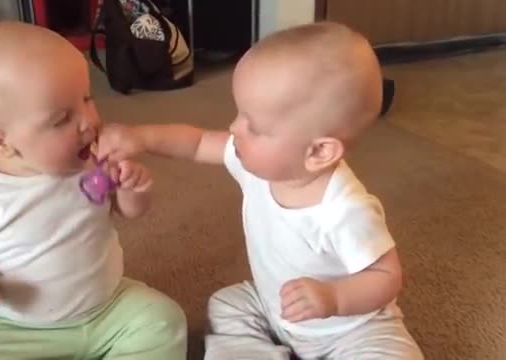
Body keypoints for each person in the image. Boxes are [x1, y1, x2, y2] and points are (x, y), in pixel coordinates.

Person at [97, 22, 423, 359]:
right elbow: (197, 143)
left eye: (254, 125)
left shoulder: (345, 209)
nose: (234, 128)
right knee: (227, 303)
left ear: (319, 152)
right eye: (240, 114)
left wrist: (333, 298)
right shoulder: (259, 166)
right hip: (276, 308)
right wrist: (143, 138)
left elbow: (386, 276)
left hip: (350, 330)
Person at [0, 21, 187, 360]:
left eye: (86, 99)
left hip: (109, 307)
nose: (88, 121)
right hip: (19, 327)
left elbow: (128, 211)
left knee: (163, 321)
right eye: (61, 119)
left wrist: (134, 188)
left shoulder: (92, 162)